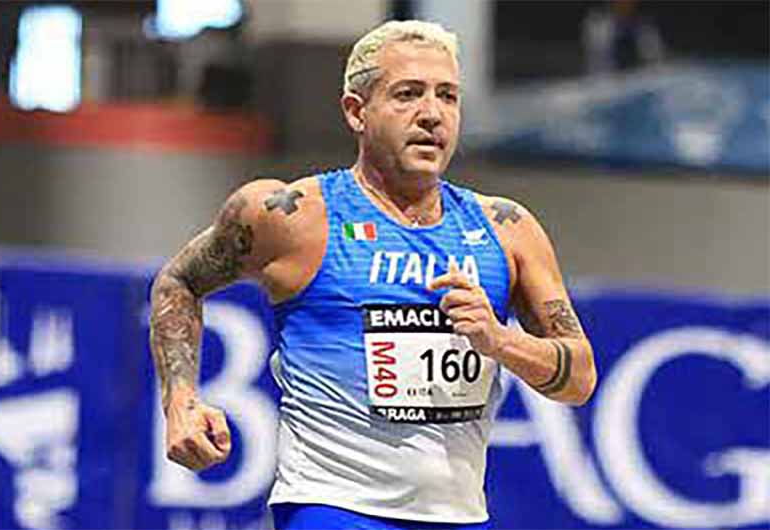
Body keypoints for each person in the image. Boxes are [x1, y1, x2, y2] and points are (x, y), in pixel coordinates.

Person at [149, 20, 597, 530]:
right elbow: (179, 282)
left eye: (447, 96)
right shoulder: (291, 216)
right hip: (332, 506)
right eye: (408, 94)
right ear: (355, 111)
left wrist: (499, 340)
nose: (432, 114)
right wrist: (180, 401)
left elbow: (580, 378)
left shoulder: (507, 230)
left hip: (458, 515)